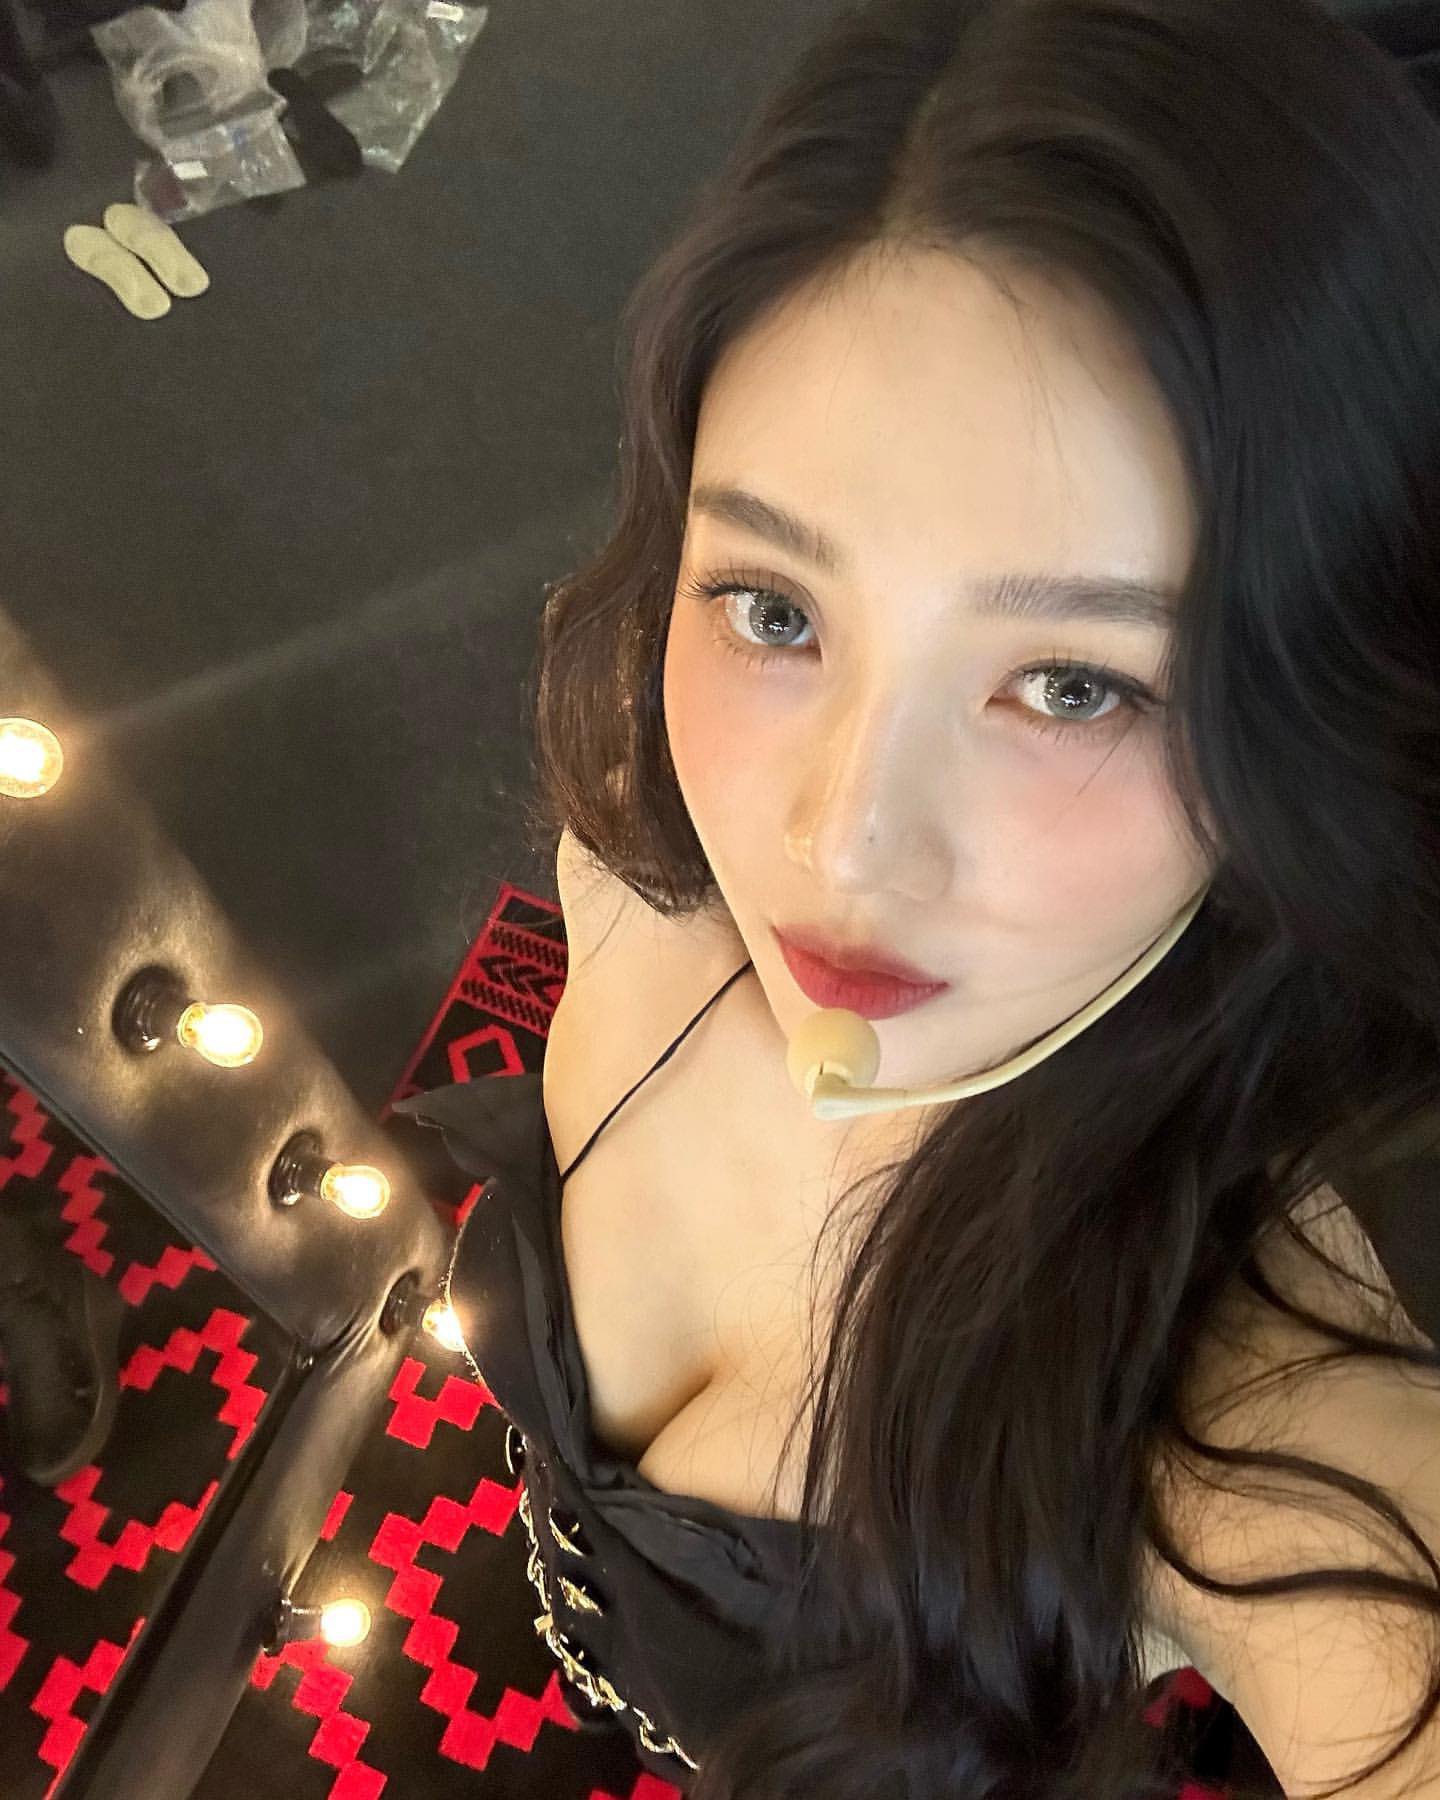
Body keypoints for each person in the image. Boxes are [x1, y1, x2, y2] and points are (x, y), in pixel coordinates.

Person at [414, 1, 1440, 1794]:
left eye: (1076, 684)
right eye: (776, 609)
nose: (839, 846)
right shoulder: (636, 865)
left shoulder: (1253, 1403)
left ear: (1299, 707)